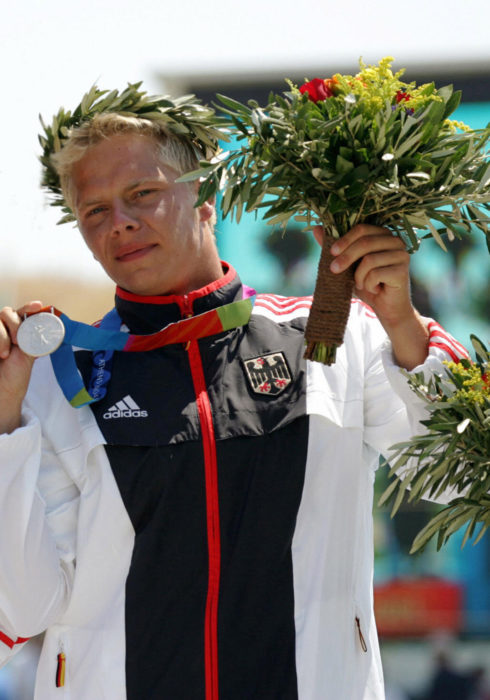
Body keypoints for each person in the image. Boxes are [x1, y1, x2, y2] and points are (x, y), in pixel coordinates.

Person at [0, 104, 468, 700]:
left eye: (142, 193)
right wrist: (1, 427)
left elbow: (453, 479)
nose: (119, 221)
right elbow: (21, 609)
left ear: (205, 198)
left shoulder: (332, 335)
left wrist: (402, 323)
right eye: (95, 210)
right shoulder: (59, 381)